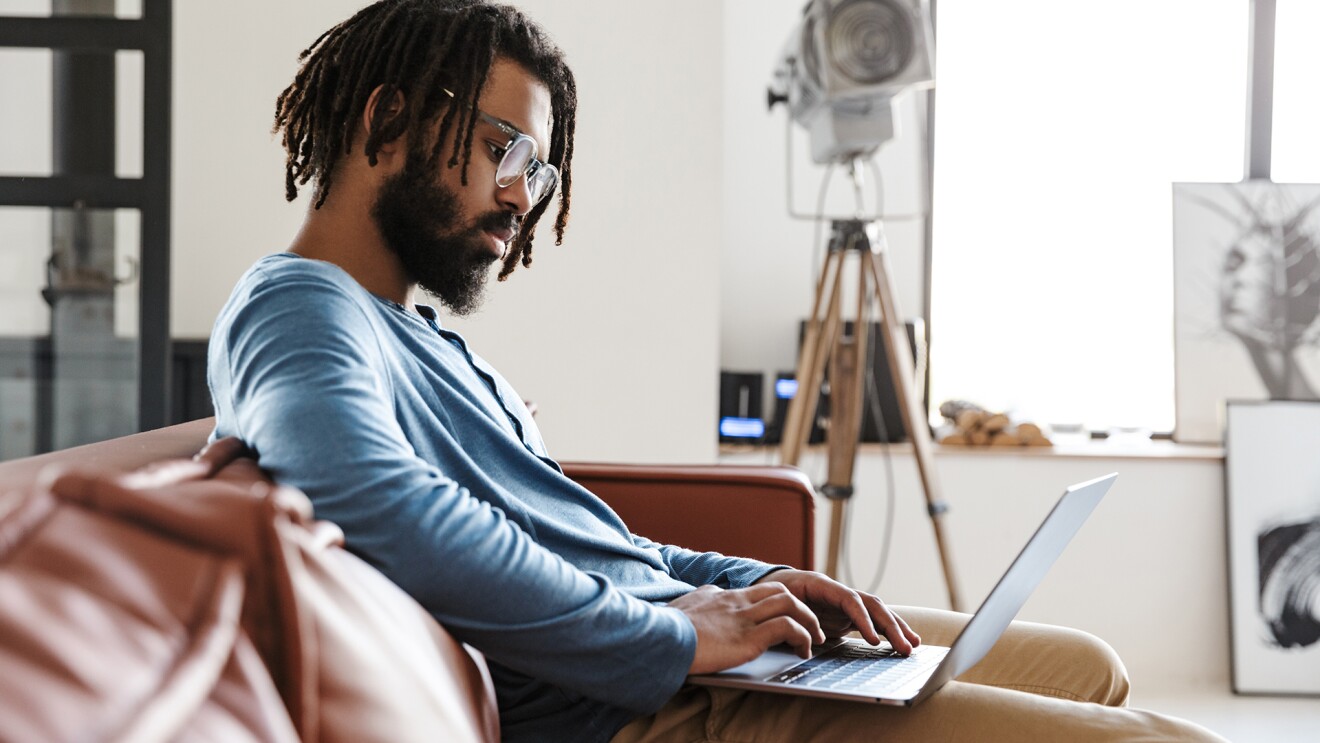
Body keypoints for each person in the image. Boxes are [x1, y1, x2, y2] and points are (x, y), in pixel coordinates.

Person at [207, 1, 1226, 741]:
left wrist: (752, 581)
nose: (522, 197)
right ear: (386, 122)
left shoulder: (420, 337)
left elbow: (586, 534)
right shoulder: (297, 306)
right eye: (503, 148)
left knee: (1091, 664)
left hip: (675, 657)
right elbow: (361, 487)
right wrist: (668, 634)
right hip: (636, 705)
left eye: (540, 170)